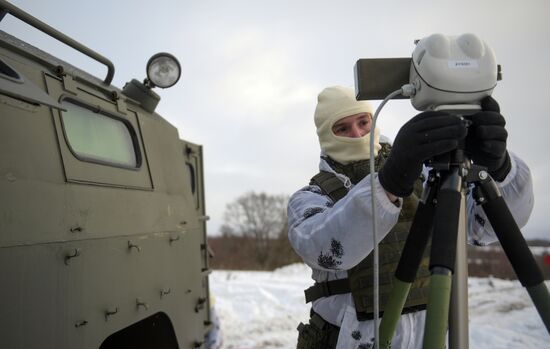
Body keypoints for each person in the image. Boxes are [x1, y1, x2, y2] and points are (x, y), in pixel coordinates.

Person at [287, 86, 534, 349]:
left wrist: (499, 168)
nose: (357, 134)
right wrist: (389, 183)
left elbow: (483, 227)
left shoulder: (425, 174)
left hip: (431, 335)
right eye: (343, 128)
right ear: (326, 136)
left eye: (363, 122)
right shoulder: (310, 198)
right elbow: (326, 247)